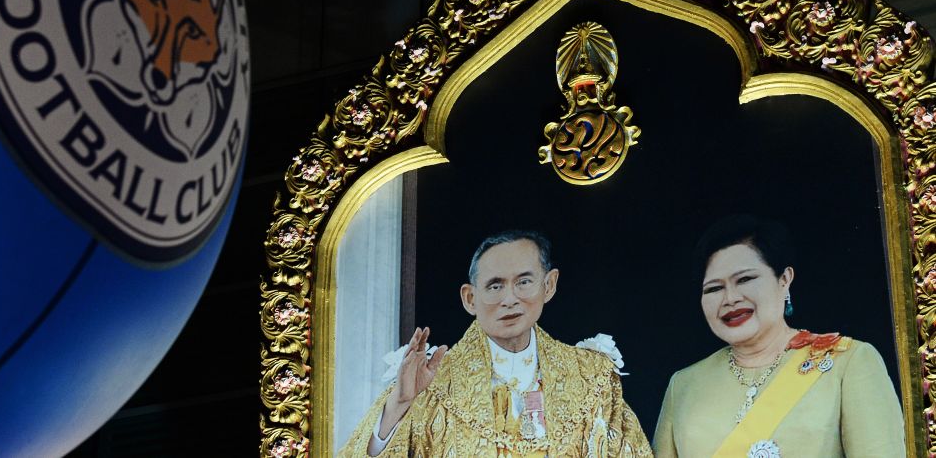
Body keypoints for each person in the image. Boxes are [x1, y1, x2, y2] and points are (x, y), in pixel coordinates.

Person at [339, 230, 651, 457]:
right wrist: (400, 403)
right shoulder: (430, 383)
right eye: (495, 286)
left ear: (549, 285)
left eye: (524, 282)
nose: (510, 299)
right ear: (470, 298)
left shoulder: (592, 377)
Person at [653, 214, 905, 457]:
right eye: (714, 288)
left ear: (784, 279)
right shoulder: (684, 385)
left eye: (745, 279)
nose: (730, 298)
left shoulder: (849, 363)